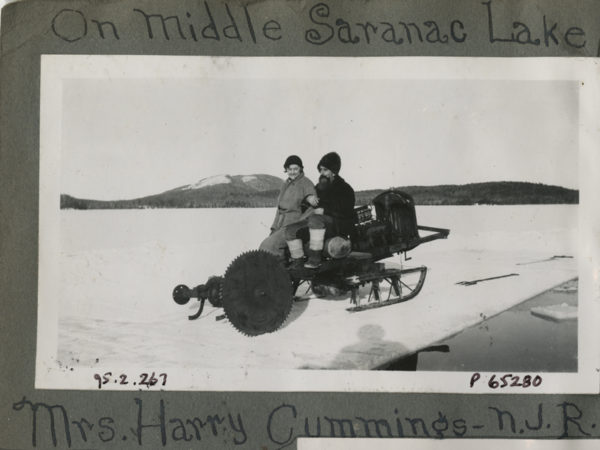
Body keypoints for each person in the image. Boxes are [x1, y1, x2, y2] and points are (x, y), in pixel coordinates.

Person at [284, 152, 355, 268]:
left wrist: (325, 211)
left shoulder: (345, 189)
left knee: (315, 220)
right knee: (291, 229)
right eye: (320, 170)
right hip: (317, 222)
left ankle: (315, 258)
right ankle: (298, 260)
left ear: (334, 171)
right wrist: (308, 199)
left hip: (337, 224)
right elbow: (305, 205)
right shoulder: (319, 187)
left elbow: (346, 210)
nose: (322, 173)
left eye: (325, 170)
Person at [259, 155, 318, 260]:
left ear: (300, 169)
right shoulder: (285, 184)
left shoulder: (306, 183)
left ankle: (280, 272)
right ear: (286, 169)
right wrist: (273, 228)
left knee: (268, 246)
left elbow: (312, 209)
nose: (292, 172)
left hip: (293, 225)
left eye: (295, 169)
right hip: (280, 224)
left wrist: (298, 224)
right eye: (289, 169)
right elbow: (279, 209)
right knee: (265, 244)